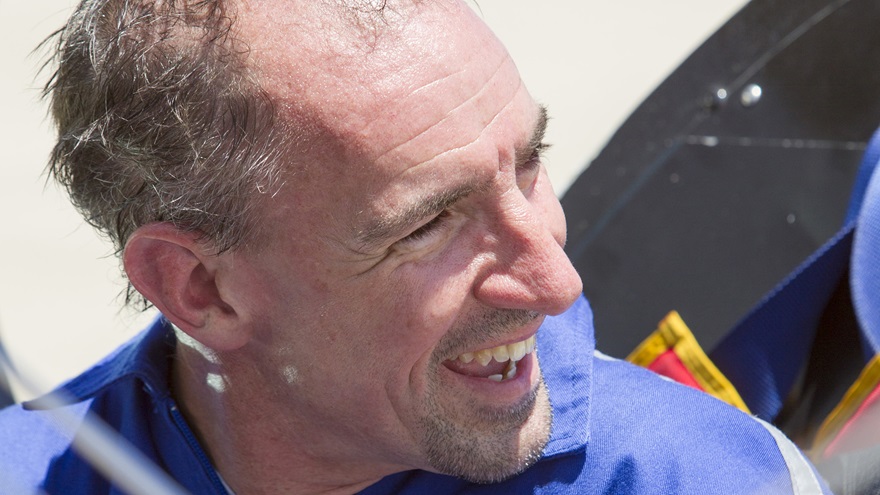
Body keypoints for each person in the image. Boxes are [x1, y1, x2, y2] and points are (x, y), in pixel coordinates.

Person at [0, 0, 829, 493]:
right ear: (200, 289)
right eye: (431, 224)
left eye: (531, 163)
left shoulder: (696, 476)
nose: (556, 281)